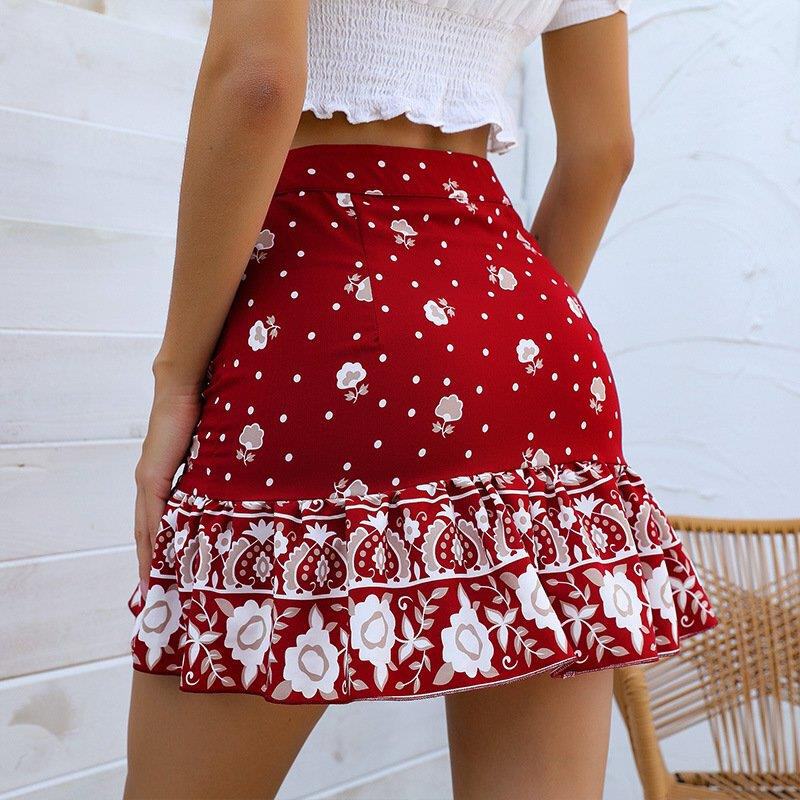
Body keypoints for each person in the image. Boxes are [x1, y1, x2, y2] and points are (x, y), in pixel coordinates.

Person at [124, 2, 718, 798]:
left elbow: (259, 82)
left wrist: (175, 382)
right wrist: (493, 344)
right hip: (521, 314)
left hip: (325, 303)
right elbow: (604, 152)